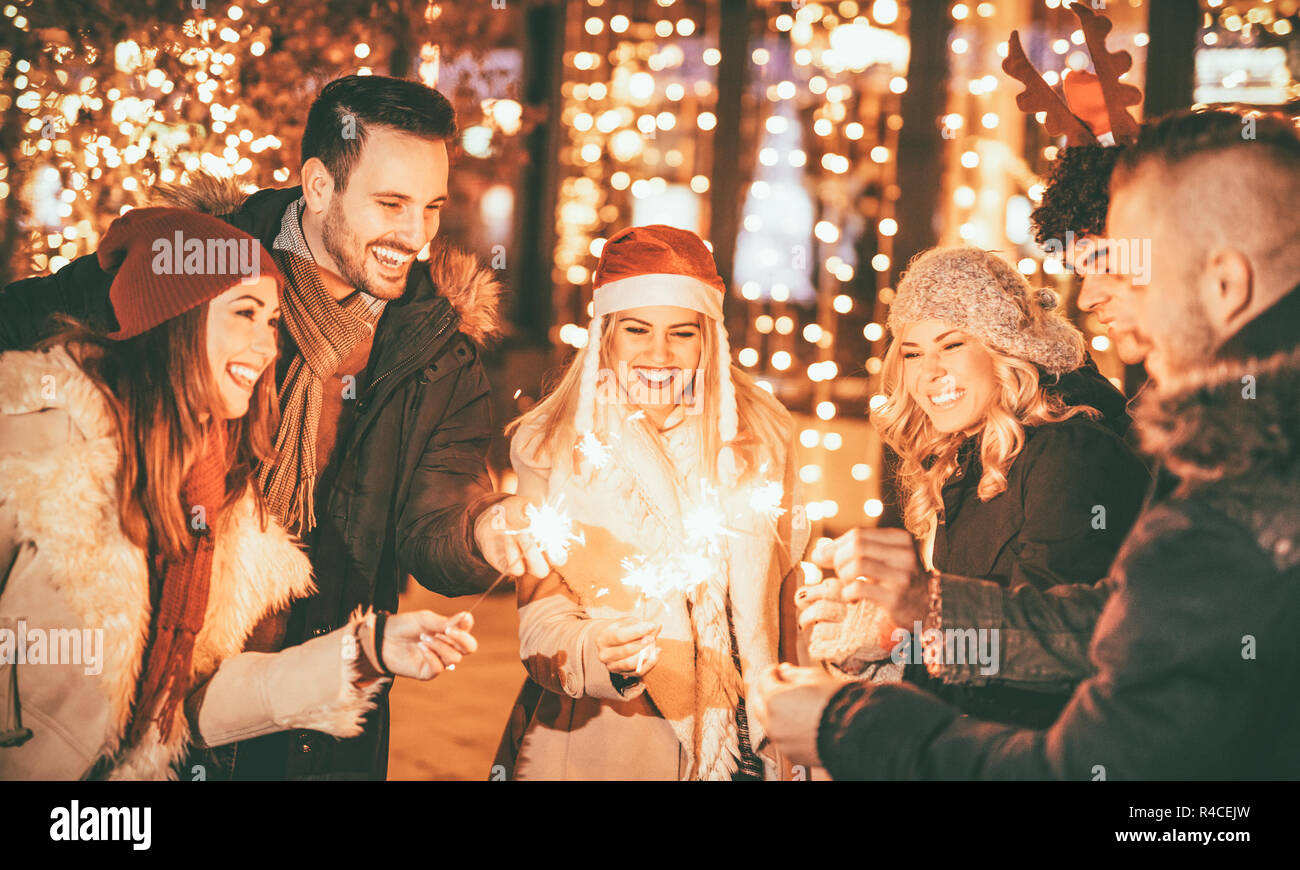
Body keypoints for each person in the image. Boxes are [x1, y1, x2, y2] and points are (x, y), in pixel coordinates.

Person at [0, 74, 537, 780]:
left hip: (315, 715)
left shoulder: (437, 346)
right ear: (318, 186)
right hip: (154, 682)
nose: (416, 235)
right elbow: (31, 324)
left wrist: (483, 530)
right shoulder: (198, 262)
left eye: (432, 208)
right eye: (391, 204)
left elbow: (436, 520)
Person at [755, 107, 1300, 780]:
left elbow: (1105, 767)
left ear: (1225, 283)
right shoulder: (1234, 435)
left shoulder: (1247, 468)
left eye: (1128, 269)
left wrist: (850, 724)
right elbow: (1115, 626)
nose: (1096, 296)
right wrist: (917, 618)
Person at [497, 225, 808, 780]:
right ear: (606, 336)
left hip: (752, 749)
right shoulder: (554, 445)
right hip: (616, 743)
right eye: (637, 329)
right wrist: (596, 649)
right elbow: (540, 617)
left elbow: (788, 594)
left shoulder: (763, 434)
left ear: (708, 336)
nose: (658, 354)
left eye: (681, 332)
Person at [796, 247, 1148, 728]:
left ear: (1005, 349)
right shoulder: (965, 458)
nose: (928, 372)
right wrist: (889, 644)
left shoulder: (1072, 452)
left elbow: (1056, 651)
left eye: (952, 345)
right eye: (913, 353)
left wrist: (918, 622)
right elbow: (975, 645)